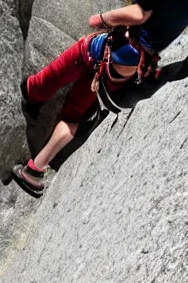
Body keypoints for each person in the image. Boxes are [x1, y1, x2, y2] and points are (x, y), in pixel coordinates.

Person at [13, 31, 140, 190]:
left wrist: (101, 19)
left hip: (95, 51)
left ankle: (32, 96)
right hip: (116, 75)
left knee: (42, 83)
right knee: (72, 117)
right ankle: (35, 170)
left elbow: (130, 16)